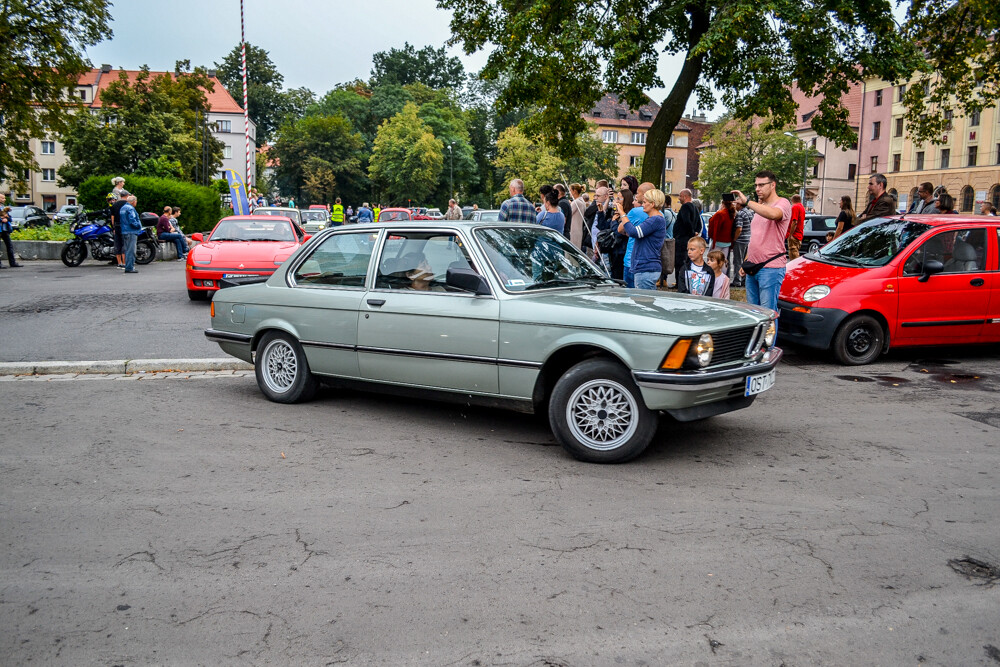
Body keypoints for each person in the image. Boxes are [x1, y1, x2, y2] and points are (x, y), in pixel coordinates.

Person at [732, 170, 792, 314]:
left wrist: (747, 202)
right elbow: (756, 237)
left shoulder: (782, 203)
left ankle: (769, 338)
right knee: (754, 313)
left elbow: (773, 214)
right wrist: (746, 261)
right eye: (756, 185)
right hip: (752, 267)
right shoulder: (760, 207)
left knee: (768, 314)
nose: (757, 189)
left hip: (770, 268)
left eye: (761, 185)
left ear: (773, 185)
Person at [618, 187, 666, 291]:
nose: (642, 205)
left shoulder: (655, 220)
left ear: (652, 204)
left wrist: (622, 213)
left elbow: (633, 232)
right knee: (646, 302)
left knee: (643, 303)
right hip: (645, 268)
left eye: (644, 202)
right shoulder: (654, 219)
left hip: (646, 268)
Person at [673, 189, 700, 288]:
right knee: (688, 261)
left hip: (682, 240)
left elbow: (686, 221)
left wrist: (691, 232)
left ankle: (679, 283)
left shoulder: (685, 207)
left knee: (680, 262)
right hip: (689, 239)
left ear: (684, 196)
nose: (679, 198)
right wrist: (695, 232)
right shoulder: (695, 208)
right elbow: (699, 224)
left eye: (680, 196)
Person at [119, 195, 143, 273]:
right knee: (131, 250)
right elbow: (132, 219)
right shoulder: (130, 208)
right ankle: (130, 267)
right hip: (131, 231)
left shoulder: (123, 208)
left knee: (127, 249)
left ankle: (128, 266)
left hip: (124, 231)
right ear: (133, 201)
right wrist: (138, 226)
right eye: (136, 201)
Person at [731, 200, 752, 287]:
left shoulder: (740, 214)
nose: (735, 205)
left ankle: (737, 281)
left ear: (739, 204)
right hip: (748, 239)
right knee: (745, 261)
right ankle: (744, 280)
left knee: (738, 261)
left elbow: (739, 229)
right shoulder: (749, 212)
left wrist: (734, 239)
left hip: (740, 240)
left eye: (736, 203)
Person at [708, 199, 736, 263]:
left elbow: (712, 225)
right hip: (727, 242)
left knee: (712, 261)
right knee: (723, 262)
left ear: (723, 204)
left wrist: (711, 236)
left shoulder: (720, 213)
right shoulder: (731, 214)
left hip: (718, 241)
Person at [0, 193, 23, 268]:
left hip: (5, 229)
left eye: (4, 198)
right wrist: (1, 219)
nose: (4, 199)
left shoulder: (3, 207)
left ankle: (12, 263)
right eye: (3, 198)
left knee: (9, 246)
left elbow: (10, 218)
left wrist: (7, 219)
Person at [109, 190, 129, 268]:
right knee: (124, 244)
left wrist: (113, 227)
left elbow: (112, 218)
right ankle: (124, 263)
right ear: (127, 195)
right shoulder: (127, 204)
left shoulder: (115, 205)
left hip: (116, 226)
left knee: (117, 243)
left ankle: (119, 263)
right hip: (125, 226)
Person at [568, 183, 588, 249]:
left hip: (573, 231)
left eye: (570, 190)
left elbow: (568, 214)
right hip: (579, 230)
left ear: (574, 191)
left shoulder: (576, 202)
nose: (569, 192)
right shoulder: (582, 201)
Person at [787, 194, 806, 260]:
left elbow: (794, 221)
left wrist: (790, 235)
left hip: (794, 234)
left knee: (793, 255)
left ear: (792, 200)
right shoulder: (802, 207)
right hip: (799, 234)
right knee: (795, 252)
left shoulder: (795, 207)